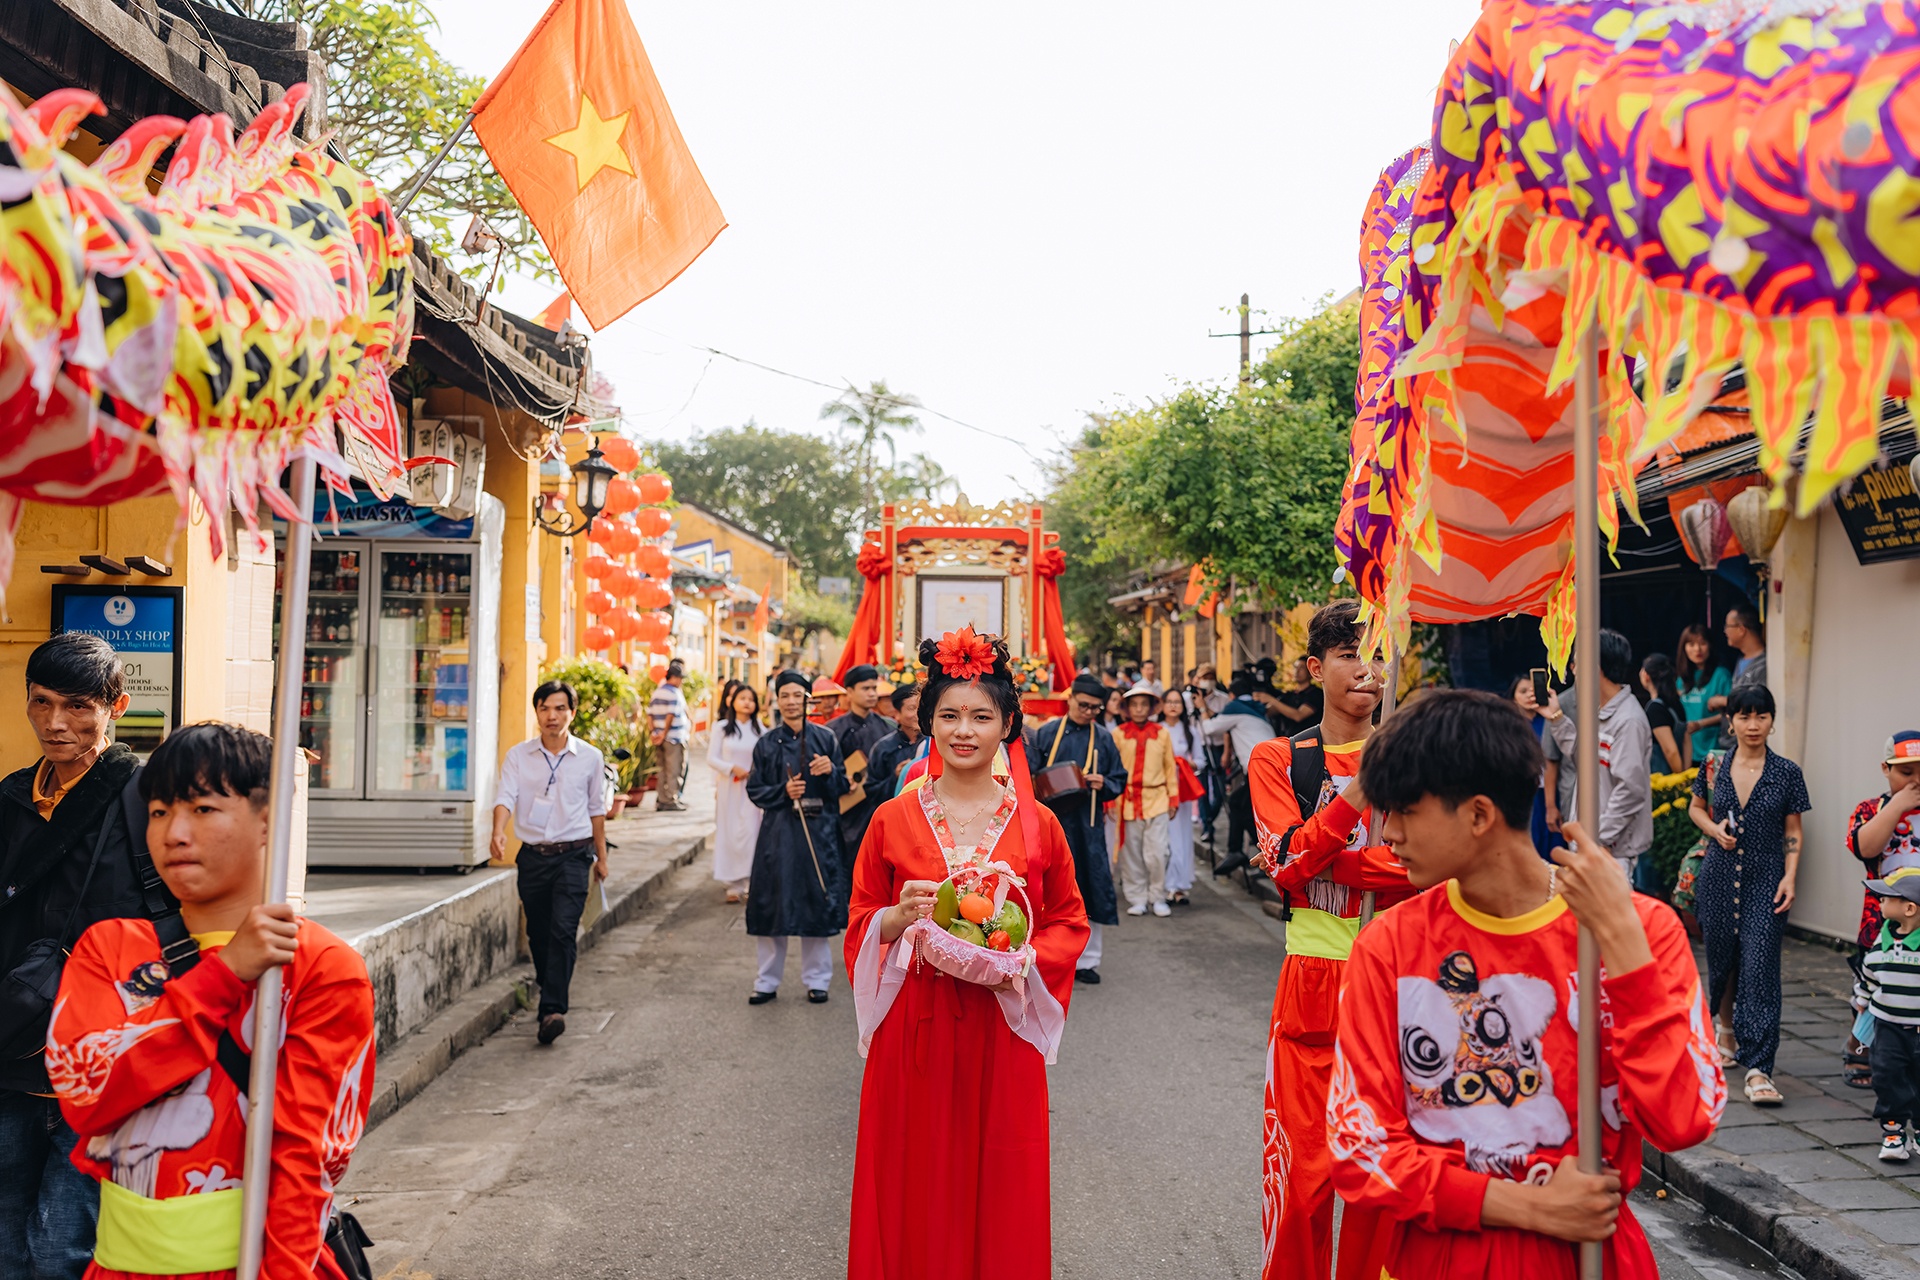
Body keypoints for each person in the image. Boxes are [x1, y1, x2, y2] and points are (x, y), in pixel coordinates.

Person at [1330, 690, 1722, 1279]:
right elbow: (1360, 1152)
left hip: (1590, 1261)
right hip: (1440, 1259)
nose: (1387, 833)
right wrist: (1531, 1208)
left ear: (1479, 815)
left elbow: (1684, 1119)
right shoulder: (1389, 945)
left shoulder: (1639, 930)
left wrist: (1626, 955)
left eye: (1405, 811)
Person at [48, 722, 375, 1280]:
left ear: (268, 820)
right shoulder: (110, 948)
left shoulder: (320, 967)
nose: (174, 833)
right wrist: (223, 976)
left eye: (202, 809)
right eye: (157, 811)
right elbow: (88, 1094)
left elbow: (306, 1164)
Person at [845, 629, 1089, 1279]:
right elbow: (862, 917)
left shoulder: (1040, 826)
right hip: (916, 1027)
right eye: (949, 715)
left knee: (1001, 1175)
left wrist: (1026, 958)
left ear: (1008, 724)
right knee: (912, 1178)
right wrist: (896, 918)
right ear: (927, 723)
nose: (964, 730)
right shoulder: (892, 819)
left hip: (1000, 1026)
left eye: (982, 717)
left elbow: (1068, 920)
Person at [1246, 600, 1412, 1280]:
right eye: (1348, 655)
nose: (1365, 670)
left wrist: (1331, 861)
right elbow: (1283, 863)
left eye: (1375, 654)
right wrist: (1360, 794)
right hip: (1314, 979)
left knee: (1387, 1175)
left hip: (1403, 983)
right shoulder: (1280, 756)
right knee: (1304, 1179)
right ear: (1317, 668)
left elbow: (1432, 868)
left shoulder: (1418, 753)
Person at [0, 635, 154, 1280]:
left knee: (61, 1248)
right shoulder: (9, 800)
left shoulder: (145, 802)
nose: (56, 723)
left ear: (115, 706)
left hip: (97, 1058)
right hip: (9, 1049)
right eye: (41, 703)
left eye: (78, 706)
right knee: (5, 1239)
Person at [1688, 683, 1808, 1106]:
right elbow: (1696, 809)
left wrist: (1790, 876)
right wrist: (1713, 829)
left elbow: (1793, 829)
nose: (1753, 725)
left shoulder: (1786, 772)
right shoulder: (1714, 763)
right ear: (1731, 720)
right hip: (1719, 875)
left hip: (1766, 877)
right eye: (1744, 716)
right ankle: (1726, 1030)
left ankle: (1759, 1068)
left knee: (1759, 965)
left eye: (1761, 716)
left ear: (1772, 721)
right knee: (1722, 959)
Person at [491, 680, 610, 1044]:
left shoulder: (590, 757)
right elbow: (505, 795)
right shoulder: (518, 756)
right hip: (533, 857)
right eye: (544, 708)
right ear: (537, 712)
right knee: (539, 934)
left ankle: (552, 1010)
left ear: (572, 713)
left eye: (559, 709)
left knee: (563, 931)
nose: (552, 716)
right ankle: (549, 982)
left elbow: (596, 810)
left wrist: (601, 858)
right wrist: (499, 830)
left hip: (575, 855)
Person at [745, 670, 847, 1005]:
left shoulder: (825, 739)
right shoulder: (765, 743)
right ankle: (766, 981)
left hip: (817, 834)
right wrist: (783, 790)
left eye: (797, 695)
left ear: (807, 700)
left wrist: (830, 772)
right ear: (776, 700)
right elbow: (755, 789)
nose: (791, 702)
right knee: (772, 905)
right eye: (785, 695)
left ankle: (817, 980)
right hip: (778, 835)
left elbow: (842, 787)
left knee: (815, 903)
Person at [1028, 674, 1125, 984]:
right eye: (1084, 705)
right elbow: (1028, 774)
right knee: (1049, 888)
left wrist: (1103, 782)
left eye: (1096, 709)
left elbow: (1118, 778)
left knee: (1090, 888)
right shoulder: (1046, 733)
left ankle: (1087, 962)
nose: (1089, 712)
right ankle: (1043, 955)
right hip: (1052, 821)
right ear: (1070, 699)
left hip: (1088, 823)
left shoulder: (1104, 737)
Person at [1532, 629, 1652, 878]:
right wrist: (1556, 717)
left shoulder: (1628, 720)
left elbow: (1630, 791)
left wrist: (1598, 839)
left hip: (1608, 851)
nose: (1573, 668)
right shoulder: (1603, 711)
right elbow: (1585, 760)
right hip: (1594, 845)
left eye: (1577, 661)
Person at [1838, 731, 1920, 1088]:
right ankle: (1861, 1050)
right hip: (1881, 921)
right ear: (1886, 769)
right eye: (1906, 772)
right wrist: (1898, 807)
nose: (1915, 780)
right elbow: (1865, 848)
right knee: (1871, 988)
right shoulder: (1871, 809)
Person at [1859, 867, 1920, 1161]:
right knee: (1887, 1078)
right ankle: (1893, 1134)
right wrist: (1860, 999)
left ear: (1909, 908)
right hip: (1888, 1028)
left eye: (1886, 897)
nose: (1879, 901)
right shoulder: (1880, 941)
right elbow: (1869, 975)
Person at [827, 664, 894, 907]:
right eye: (865, 688)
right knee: (846, 859)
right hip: (846, 809)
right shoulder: (833, 731)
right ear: (849, 692)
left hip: (878, 805)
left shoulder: (888, 728)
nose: (871, 693)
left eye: (874, 688)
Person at [1113, 682, 1177, 918]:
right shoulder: (1118, 734)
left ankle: (1158, 896)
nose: (1139, 709)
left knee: (1158, 852)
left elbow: (1170, 767)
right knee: (1131, 853)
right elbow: (1113, 768)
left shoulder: (1162, 733)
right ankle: (1137, 897)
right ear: (1128, 708)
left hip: (1157, 797)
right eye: (1134, 705)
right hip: (1128, 800)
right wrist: (1110, 801)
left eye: (1143, 705)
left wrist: (1173, 798)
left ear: (1151, 708)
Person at [1206, 674, 1279, 878]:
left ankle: (1266, 853)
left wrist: (1202, 710)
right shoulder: (1256, 708)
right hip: (1270, 766)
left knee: (1242, 805)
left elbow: (1210, 728)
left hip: (1261, 768)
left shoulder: (1234, 707)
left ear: (1231, 694)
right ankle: (1238, 851)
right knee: (1240, 803)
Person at [708, 680, 764, 903]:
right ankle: (733, 884)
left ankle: (752, 880)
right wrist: (732, 768)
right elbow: (712, 758)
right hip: (729, 786)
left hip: (752, 788)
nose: (747, 703)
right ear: (732, 702)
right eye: (743, 698)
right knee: (729, 831)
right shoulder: (721, 728)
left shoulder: (760, 729)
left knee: (751, 830)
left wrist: (754, 772)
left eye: (751, 699)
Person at [1162, 689, 1205, 906]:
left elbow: (1201, 760)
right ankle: (1164, 885)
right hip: (1160, 791)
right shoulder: (1156, 729)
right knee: (1166, 840)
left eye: (1177, 702)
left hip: (1182, 792)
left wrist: (1185, 764)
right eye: (1168, 702)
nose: (1173, 706)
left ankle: (1179, 887)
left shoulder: (1190, 731)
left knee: (1182, 838)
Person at [1509, 674, 1555, 859]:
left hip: (1549, 792)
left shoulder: (1550, 721)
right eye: (1523, 691)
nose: (1529, 695)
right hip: (1521, 792)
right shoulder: (1508, 724)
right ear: (1514, 697)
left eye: (1534, 691)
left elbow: (1554, 760)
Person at [1713, 603, 1767, 751]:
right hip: (1730, 743)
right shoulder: (1740, 660)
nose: (1725, 631)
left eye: (1727, 626)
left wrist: (1723, 701)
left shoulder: (1763, 665)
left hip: (1747, 746)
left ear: (1741, 629)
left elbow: (1758, 702)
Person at [1676, 624, 1731, 765]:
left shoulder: (1721, 675)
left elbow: (1732, 711)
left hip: (1714, 750)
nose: (1697, 649)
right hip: (1688, 751)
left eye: (1702, 643)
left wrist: (1701, 724)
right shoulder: (1681, 679)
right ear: (1684, 648)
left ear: (1710, 646)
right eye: (1691, 644)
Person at [864, 684, 924, 802]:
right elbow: (870, 791)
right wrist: (896, 777)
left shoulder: (931, 743)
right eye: (912, 708)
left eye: (921, 708)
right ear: (896, 714)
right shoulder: (883, 748)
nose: (918, 714)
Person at [647, 660, 692, 812]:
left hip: (660, 737)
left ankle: (662, 798)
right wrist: (664, 733)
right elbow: (670, 715)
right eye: (680, 678)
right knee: (674, 769)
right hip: (673, 737)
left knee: (662, 770)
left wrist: (654, 733)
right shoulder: (674, 692)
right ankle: (670, 800)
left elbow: (650, 715)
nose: (681, 682)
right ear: (674, 677)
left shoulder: (657, 691)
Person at [1641, 653, 1687, 774]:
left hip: (1663, 780)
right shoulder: (1677, 703)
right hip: (1682, 771)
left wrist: (1679, 780)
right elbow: (1686, 739)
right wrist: (1686, 774)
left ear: (1646, 676)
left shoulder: (1655, 708)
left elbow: (1670, 751)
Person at [1269, 657, 1325, 730]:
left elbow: (1298, 716)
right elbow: (1269, 711)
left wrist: (1271, 700)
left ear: (1310, 671)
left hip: (1308, 740)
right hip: (1287, 740)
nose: (1297, 671)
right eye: (1295, 667)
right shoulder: (1289, 695)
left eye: (1301, 668)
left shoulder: (1316, 694)